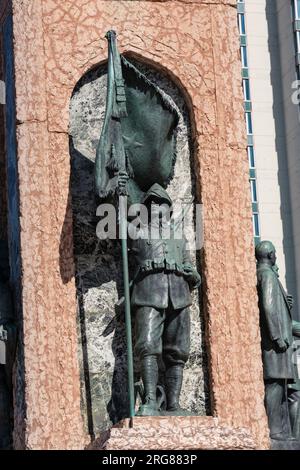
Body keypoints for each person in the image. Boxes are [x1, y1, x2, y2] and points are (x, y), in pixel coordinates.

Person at [128, 183, 201, 416]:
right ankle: (149, 400)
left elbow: (189, 264)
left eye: (162, 204)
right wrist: (115, 193)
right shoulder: (136, 232)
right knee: (147, 346)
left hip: (178, 296)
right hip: (149, 293)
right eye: (153, 204)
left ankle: (173, 404)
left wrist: (194, 275)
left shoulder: (178, 236)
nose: (158, 208)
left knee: (177, 352)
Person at [256, 241, 297, 441]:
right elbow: (268, 307)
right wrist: (277, 337)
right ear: (271, 255)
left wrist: (286, 304)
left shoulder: (265, 275)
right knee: (274, 387)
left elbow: (275, 306)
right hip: (275, 344)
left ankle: (282, 431)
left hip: (276, 343)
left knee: (280, 387)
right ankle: (275, 429)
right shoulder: (268, 275)